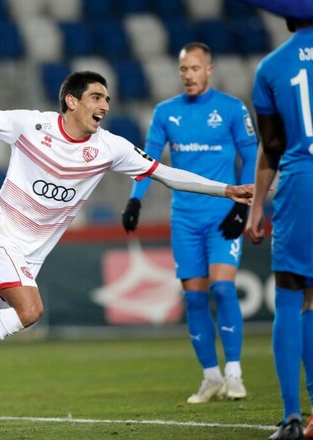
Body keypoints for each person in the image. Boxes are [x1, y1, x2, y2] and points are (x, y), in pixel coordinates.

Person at [0, 71, 254, 433]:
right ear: (71, 101)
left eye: (107, 98)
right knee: (30, 312)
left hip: (29, 257)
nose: (104, 105)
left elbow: (166, 174)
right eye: (96, 97)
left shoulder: (111, 148)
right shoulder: (30, 125)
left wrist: (226, 190)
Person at [120, 42, 257, 404]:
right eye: (183, 70)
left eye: (195, 69)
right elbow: (147, 160)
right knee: (194, 298)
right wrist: (135, 200)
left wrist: (245, 205)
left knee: (224, 289)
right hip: (184, 218)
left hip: (222, 215)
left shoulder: (231, 108)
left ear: (208, 70)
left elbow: (251, 154)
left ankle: (234, 373)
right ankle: (210, 377)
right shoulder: (166, 112)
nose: (188, 75)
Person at [247, 16, 313, 440]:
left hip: (301, 182)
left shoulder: (272, 66)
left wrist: (256, 206)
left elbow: (271, 147)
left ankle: (293, 417)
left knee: (292, 296)